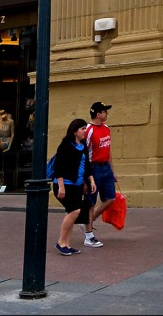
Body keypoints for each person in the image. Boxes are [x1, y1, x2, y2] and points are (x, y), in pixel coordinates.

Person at [52, 118, 95, 255]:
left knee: (71, 213)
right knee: (75, 211)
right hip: (65, 184)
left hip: (77, 185)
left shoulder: (83, 145)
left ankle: (67, 244)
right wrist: (61, 186)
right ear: (75, 131)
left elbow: (87, 165)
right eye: (82, 129)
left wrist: (91, 181)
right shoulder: (65, 145)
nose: (85, 131)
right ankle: (60, 242)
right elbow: (58, 167)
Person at [82, 102, 116, 248]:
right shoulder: (88, 131)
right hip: (93, 168)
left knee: (110, 198)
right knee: (90, 201)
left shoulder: (106, 129)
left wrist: (112, 171)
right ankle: (89, 236)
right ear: (98, 114)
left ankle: (89, 220)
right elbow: (84, 153)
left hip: (105, 167)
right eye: (104, 112)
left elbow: (108, 152)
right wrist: (85, 177)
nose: (106, 114)